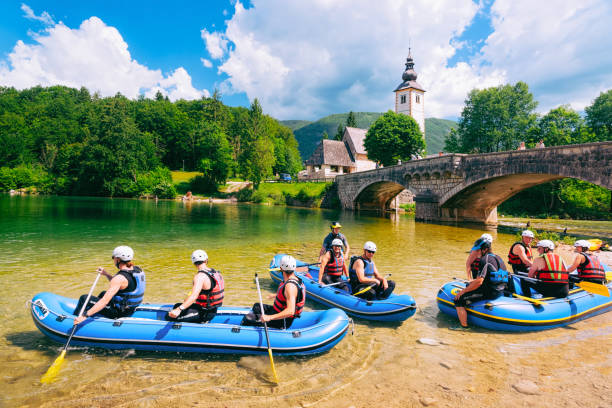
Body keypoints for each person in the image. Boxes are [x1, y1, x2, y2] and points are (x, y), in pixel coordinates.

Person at [73, 246, 145, 325]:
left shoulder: (119, 278)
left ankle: (75, 319)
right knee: (103, 293)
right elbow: (123, 285)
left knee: (84, 298)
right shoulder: (137, 269)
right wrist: (106, 274)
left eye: (113, 258)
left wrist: (85, 315)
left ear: (118, 259)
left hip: (119, 313)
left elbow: (104, 301)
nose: (113, 260)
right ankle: (95, 313)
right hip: (129, 308)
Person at [453, 240, 508, 328]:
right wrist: (472, 282)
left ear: (485, 249)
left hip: (491, 292)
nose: (477, 253)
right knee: (470, 285)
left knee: (458, 300)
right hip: (501, 290)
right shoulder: (498, 257)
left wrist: (463, 291)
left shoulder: (484, 260)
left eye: (479, 250)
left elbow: (479, 282)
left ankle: (463, 327)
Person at [242, 255, 306, 329]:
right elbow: (294, 295)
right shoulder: (295, 279)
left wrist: (269, 317)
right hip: (276, 310)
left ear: (281, 268)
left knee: (246, 320)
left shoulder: (290, 286)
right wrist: (276, 295)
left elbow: (290, 311)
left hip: (283, 320)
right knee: (256, 306)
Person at [166, 250, 224, 323]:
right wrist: (183, 304)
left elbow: (194, 296)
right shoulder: (216, 273)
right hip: (212, 310)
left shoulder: (200, 277)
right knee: (176, 305)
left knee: (169, 317)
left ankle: (199, 323)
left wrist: (179, 310)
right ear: (206, 260)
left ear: (194, 263)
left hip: (204, 313)